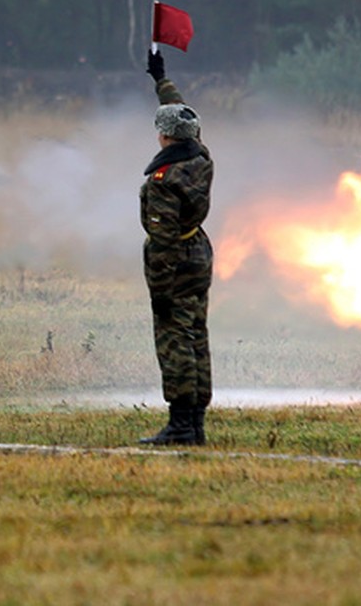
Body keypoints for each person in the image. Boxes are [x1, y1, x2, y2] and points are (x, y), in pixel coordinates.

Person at [138, 49, 214, 446]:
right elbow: (181, 111)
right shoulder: (200, 155)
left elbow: (163, 241)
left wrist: (160, 291)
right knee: (196, 334)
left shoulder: (165, 179)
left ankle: (182, 425)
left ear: (165, 137)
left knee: (174, 338)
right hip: (198, 253)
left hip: (176, 263)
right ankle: (196, 421)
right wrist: (160, 79)